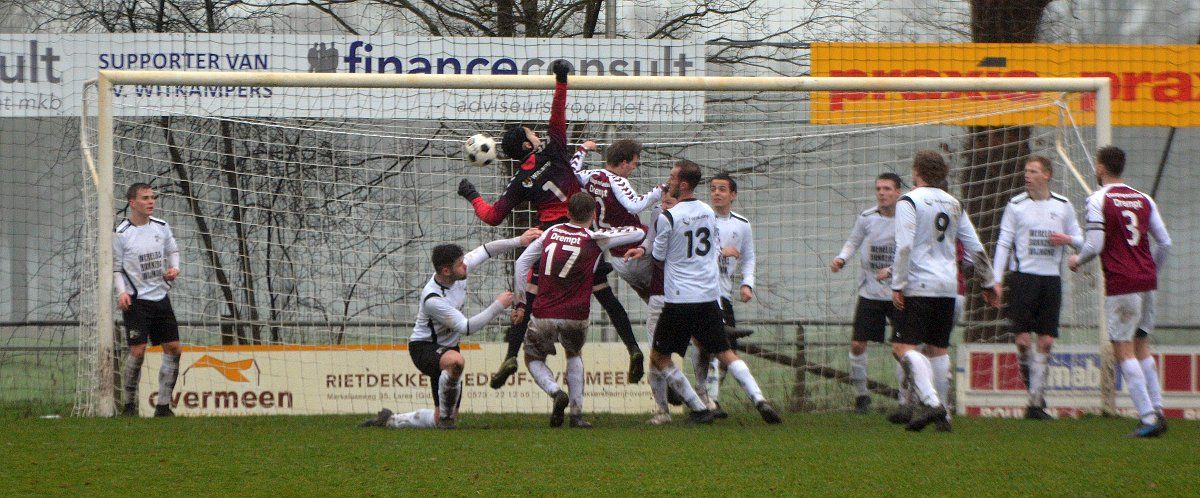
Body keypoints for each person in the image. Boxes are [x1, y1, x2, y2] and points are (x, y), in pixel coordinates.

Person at [458, 62, 644, 389]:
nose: (536, 134)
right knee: (605, 295)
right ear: (528, 145)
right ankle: (633, 348)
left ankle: (511, 356)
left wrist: (473, 195)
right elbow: (558, 115)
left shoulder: (520, 181)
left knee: (529, 297)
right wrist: (561, 80)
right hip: (580, 233)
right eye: (532, 133)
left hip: (550, 240)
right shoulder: (555, 150)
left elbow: (493, 216)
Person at [646, 159, 782, 425]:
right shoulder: (708, 212)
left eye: (672, 177)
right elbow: (713, 248)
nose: (669, 181)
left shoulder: (668, 217)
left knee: (659, 357)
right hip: (709, 297)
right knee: (724, 352)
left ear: (684, 184)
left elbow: (658, 257)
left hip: (680, 298)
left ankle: (698, 408)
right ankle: (759, 399)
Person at [361, 229, 538, 430]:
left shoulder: (458, 272)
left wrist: (519, 241)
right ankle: (446, 420)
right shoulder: (433, 299)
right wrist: (498, 305)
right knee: (456, 361)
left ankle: (391, 420)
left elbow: (487, 250)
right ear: (446, 271)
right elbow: (466, 327)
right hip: (424, 348)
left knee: (442, 417)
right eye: (460, 264)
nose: (465, 265)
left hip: (449, 348)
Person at [513, 193, 645, 428]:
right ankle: (576, 414)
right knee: (574, 354)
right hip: (576, 314)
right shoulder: (594, 239)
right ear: (593, 214)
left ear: (567, 212)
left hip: (543, 312)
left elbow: (521, 263)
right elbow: (637, 233)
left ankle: (555, 392)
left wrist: (520, 302)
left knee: (533, 358)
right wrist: (606, 232)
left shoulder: (550, 233)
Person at [890, 150, 1001, 432]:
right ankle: (945, 417)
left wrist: (898, 284)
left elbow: (904, 246)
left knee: (903, 347)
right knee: (937, 349)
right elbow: (975, 247)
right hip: (949, 287)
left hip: (918, 284)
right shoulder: (954, 203)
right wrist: (989, 282)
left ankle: (932, 402)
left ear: (916, 171)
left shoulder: (909, 200)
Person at [1069, 145, 1171, 438]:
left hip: (1122, 283)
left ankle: (1148, 417)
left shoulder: (1098, 199)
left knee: (1123, 350)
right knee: (1141, 345)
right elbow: (1165, 243)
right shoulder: (1144, 199)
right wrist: (1150, 272)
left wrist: (1077, 260)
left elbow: (1095, 245)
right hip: (1146, 282)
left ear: (1101, 168)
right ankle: (1158, 408)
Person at [992, 155, 1084, 420]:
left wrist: (1067, 239)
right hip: (1023, 279)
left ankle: (1035, 403)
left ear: (1047, 175)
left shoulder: (1063, 206)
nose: (1027, 175)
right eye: (1026, 171)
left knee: (1046, 341)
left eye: (1033, 171)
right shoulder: (1016, 205)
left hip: (1050, 280)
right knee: (1023, 342)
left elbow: (1081, 241)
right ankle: (1034, 393)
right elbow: (1003, 242)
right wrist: (996, 280)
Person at [831, 172, 904, 415]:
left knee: (901, 348)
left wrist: (892, 271)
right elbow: (853, 241)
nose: (882, 193)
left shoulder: (907, 218)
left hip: (898, 293)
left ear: (898, 192)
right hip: (870, 292)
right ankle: (862, 396)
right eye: (879, 189)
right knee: (857, 344)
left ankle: (905, 399)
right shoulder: (867, 217)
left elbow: (913, 251)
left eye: (887, 189)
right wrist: (841, 258)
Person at [687, 171, 757, 418]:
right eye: (713, 189)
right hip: (701, 293)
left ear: (733, 195)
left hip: (724, 295)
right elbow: (690, 253)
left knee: (728, 352)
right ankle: (709, 400)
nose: (716, 193)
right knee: (708, 347)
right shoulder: (699, 218)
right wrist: (720, 252)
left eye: (722, 189)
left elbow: (748, 258)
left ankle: (706, 397)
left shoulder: (742, 224)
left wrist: (747, 284)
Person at [114, 183, 182, 417]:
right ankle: (129, 406)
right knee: (138, 351)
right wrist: (121, 292)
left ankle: (163, 407)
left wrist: (174, 268)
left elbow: (173, 251)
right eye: (145, 198)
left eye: (153, 197)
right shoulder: (121, 233)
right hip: (136, 301)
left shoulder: (161, 227)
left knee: (174, 348)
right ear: (132, 203)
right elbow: (116, 268)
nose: (151, 201)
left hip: (160, 297)